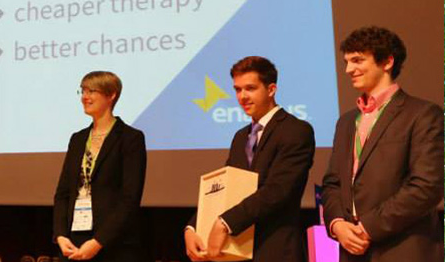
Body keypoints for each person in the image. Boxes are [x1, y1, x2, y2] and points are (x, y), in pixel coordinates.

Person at [321, 26, 444, 261]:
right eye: (346, 62)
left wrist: (368, 227)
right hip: (352, 251)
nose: (348, 69)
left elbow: (427, 186)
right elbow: (332, 183)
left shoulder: (423, 114)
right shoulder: (346, 121)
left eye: (357, 60)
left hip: (403, 249)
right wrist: (337, 224)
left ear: (387, 61)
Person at [183, 56, 315, 261]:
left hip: (275, 250)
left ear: (271, 89)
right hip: (238, 251)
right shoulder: (240, 137)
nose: (242, 96)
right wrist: (193, 227)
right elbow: (224, 189)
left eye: (250, 88)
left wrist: (226, 222)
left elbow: (278, 190)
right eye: (237, 89)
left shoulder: (296, 130)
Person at [53, 71, 147, 261]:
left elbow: (130, 198)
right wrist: (61, 235)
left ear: (111, 95)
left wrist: (98, 242)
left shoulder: (130, 138)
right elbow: (63, 193)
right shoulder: (78, 139)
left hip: (113, 244)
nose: (84, 97)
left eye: (91, 91)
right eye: (83, 91)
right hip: (74, 240)